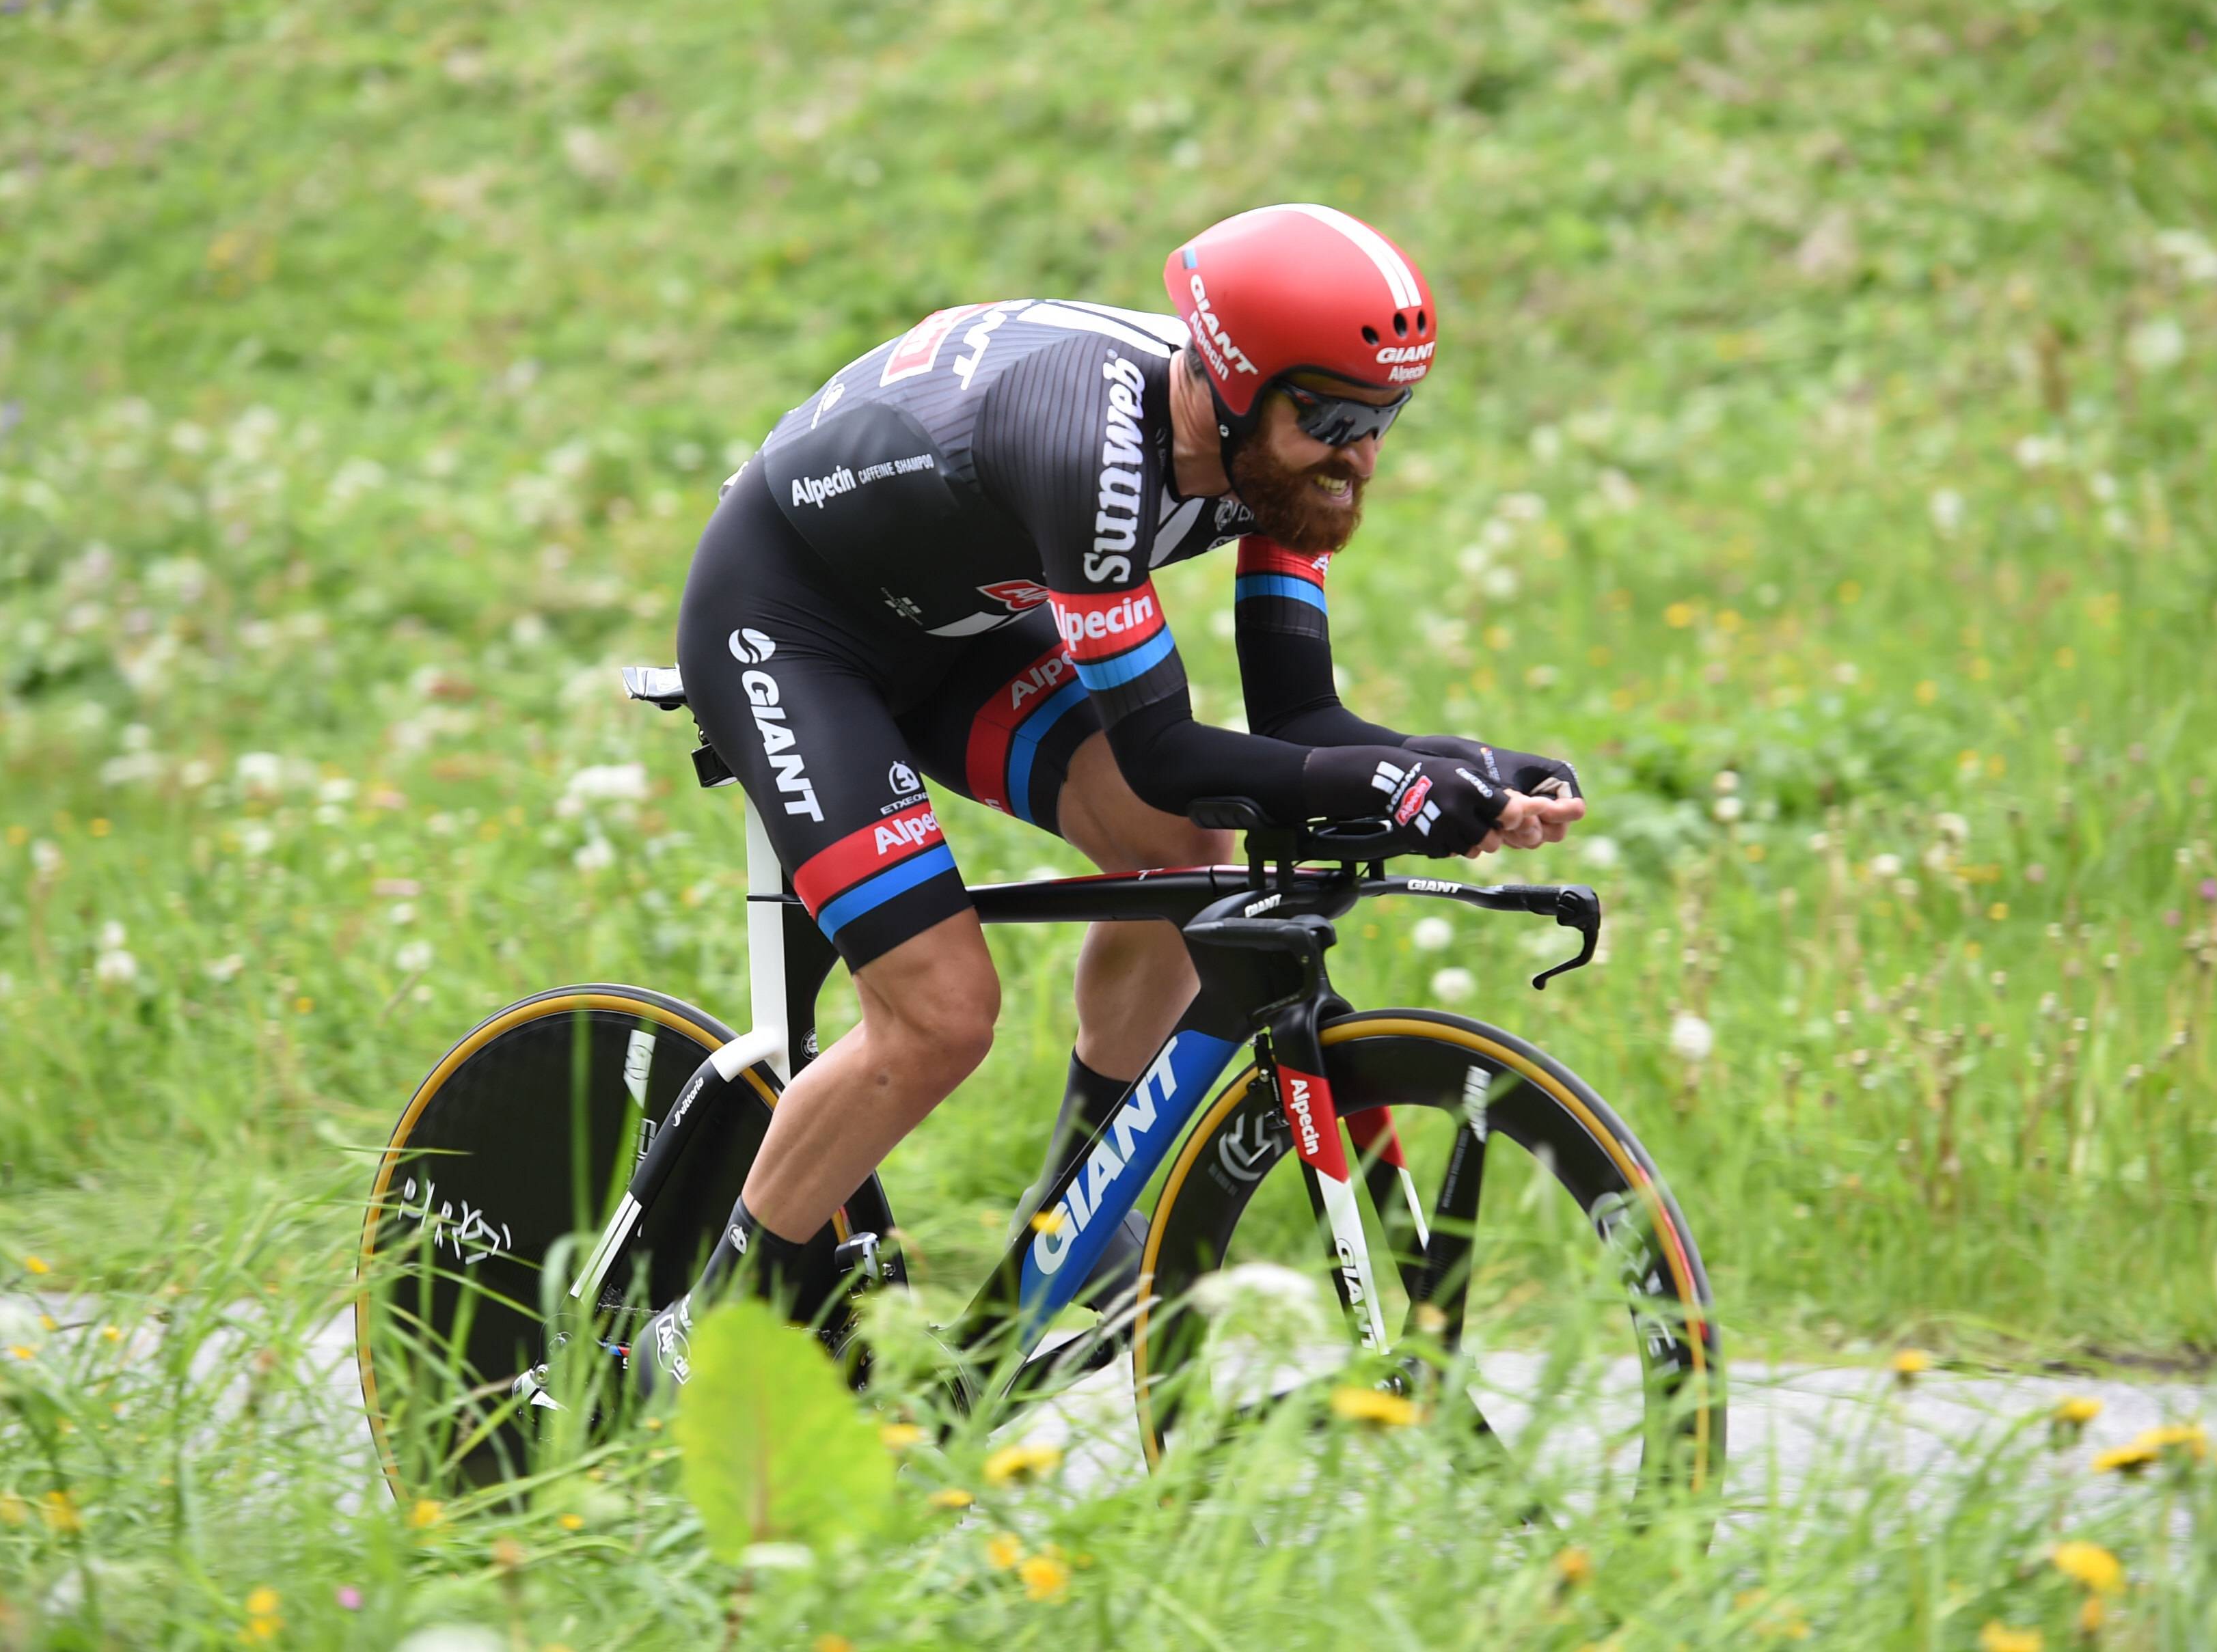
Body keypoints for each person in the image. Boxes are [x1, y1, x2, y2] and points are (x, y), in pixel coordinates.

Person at [636, 204, 1583, 1387]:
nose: (1362, 459)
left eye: (1385, 417)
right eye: (1335, 420)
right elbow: (1168, 748)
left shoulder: (1275, 463)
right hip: (788, 621)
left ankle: (1074, 1210)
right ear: (1231, 388)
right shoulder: (1093, 450)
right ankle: (710, 1334)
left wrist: (1463, 766)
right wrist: (1391, 787)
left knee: (1179, 853)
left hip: (954, 619)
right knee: (939, 1013)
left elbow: (1301, 724)